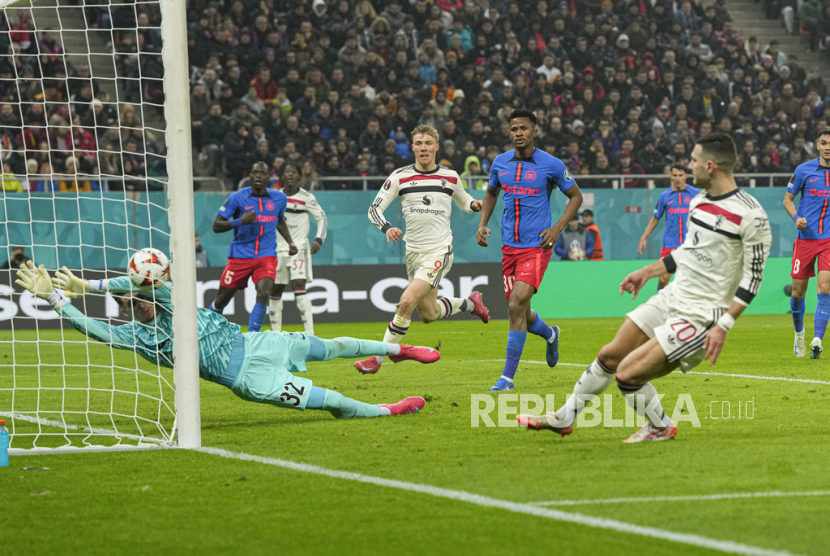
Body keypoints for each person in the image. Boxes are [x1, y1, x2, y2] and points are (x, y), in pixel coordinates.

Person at [518, 133, 771, 442]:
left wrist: (725, 324)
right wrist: (646, 272)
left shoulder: (752, 215)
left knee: (627, 375)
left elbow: (753, 278)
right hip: (672, 296)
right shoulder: (700, 203)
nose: (689, 167)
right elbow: (686, 253)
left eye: (692, 161)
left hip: (702, 316)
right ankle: (564, 418)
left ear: (710, 165)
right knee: (610, 356)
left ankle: (660, 425)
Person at [17, 261, 435, 420]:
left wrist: (85, 284)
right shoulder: (139, 338)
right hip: (250, 380)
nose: (140, 300)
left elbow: (148, 277)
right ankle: (387, 411)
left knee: (333, 346)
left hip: (255, 344)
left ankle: (400, 350)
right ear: (125, 306)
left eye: (140, 294)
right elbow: (94, 329)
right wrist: (56, 299)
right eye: (131, 299)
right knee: (334, 402)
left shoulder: (169, 298)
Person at [357, 124, 490, 374]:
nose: (423, 148)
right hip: (413, 253)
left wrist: (477, 205)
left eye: (428, 143)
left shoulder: (450, 177)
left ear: (436, 147)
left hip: (439, 250)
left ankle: (376, 359)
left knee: (405, 302)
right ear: (413, 147)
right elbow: (374, 209)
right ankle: (471, 304)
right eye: (418, 143)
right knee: (428, 314)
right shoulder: (399, 176)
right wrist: (386, 227)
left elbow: (464, 202)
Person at [477, 109, 583, 391]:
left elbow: (576, 196)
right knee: (521, 312)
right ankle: (550, 334)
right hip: (508, 249)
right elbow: (491, 192)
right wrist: (482, 223)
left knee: (515, 304)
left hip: (536, 247)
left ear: (534, 132)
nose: (518, 133)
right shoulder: (500, 163)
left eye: (523, 128)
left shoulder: (552, 165)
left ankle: (507, 378)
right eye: (513, 129)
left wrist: (557, 228)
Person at [210, 162, 296, 332]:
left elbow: (279, 219)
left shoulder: (280, 198)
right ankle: (208, 332)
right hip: (240, 256)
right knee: (221, 301)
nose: (258, 176)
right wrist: (239, 221)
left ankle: (252, 337)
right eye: (254, 173)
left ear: (268, 177)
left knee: (264, 292)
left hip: (266, 255)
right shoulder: (236, 197)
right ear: (250, 176)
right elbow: (216, 226)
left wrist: (290, 241)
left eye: (261, 173)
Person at [783, 128, 830, 359]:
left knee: (824, 287)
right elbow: (788, 200)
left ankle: (818, 339)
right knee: (797, 293)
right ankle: (799, 333)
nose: (828, 147)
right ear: (818, 146)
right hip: (805, 241)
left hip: (828, 241)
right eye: (824, 143)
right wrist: (796, 218)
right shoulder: (804, 170)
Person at [269, 162, 328, 335]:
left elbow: (322, 218)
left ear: (300, 177)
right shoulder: (275, 197)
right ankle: (275, 334)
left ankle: (310, 334)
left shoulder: (307, 198)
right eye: (286, 172)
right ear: (281, 176)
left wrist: (319, 239)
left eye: (294, 172)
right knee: (275, 289)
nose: (290, 175)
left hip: (300, 248)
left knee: (298, 286)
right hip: (278, 249)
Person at [637, 164, 700, 289]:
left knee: (693, 281)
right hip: (670, 244)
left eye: (680, 175)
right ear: (670, 176)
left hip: (690, 244)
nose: (677, 178)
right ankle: (661, 306)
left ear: (686, 176)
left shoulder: (696, 194)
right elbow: (655, 218)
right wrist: (643, 237)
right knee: (663, 280)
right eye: (675, 175)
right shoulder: (664, 196)